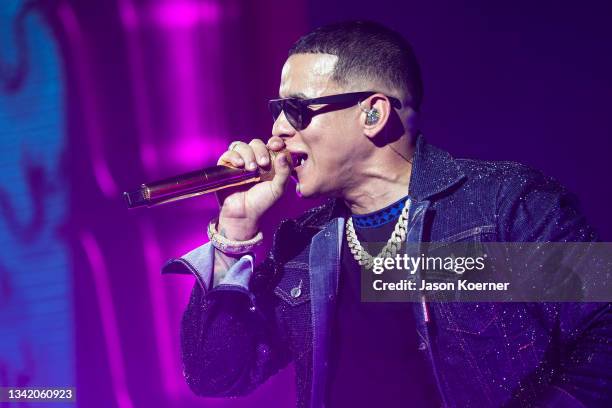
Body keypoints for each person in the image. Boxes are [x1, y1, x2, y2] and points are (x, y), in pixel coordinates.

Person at [163, 21, 611, 407]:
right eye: (278, 111)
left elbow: (604, 330)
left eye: (297, 110)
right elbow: (215, 376)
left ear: (373, 113)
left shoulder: (499, 206)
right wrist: (234, 231)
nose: (279, 131)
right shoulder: (304, 244)